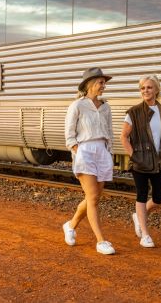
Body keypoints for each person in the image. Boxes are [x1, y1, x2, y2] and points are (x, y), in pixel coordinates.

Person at [62, 67, 115, 255]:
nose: (104, 86)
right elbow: (69, 135)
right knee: (92, 198)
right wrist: (79, 152)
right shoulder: (77, 105)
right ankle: (101, 241)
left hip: (102, 151)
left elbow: (109, 132)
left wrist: (110, 153)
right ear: (90, 84)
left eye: (104, 83)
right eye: (101, 82)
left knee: (94, 197)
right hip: (85, 151)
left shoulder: (106, 106)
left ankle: (70, 225)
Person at [120, 74, 161, 248]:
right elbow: (123, 137)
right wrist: (133, 156)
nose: (146, 91)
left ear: (157, 89)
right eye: (143, 88)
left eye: (149, 87)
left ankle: (139, 216)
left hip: (159, 161)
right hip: (141, 161)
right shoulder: (134, 112)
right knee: (142, 195)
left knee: (159, 198)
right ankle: (145, 234)